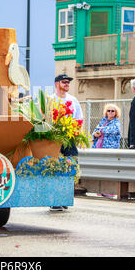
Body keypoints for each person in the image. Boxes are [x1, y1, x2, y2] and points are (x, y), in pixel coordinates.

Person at [50, 74, 83, 211]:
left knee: (70, 166)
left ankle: (65, 198)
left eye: (68, 82)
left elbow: (79, 118)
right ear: (57, 83)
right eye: (64, 82)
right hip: (54, 138)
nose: (67, 84)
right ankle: (54, 200)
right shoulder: (50, 99)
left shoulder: (73, 100)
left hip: (69, 138)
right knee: (55, 167)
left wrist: (77, 135)